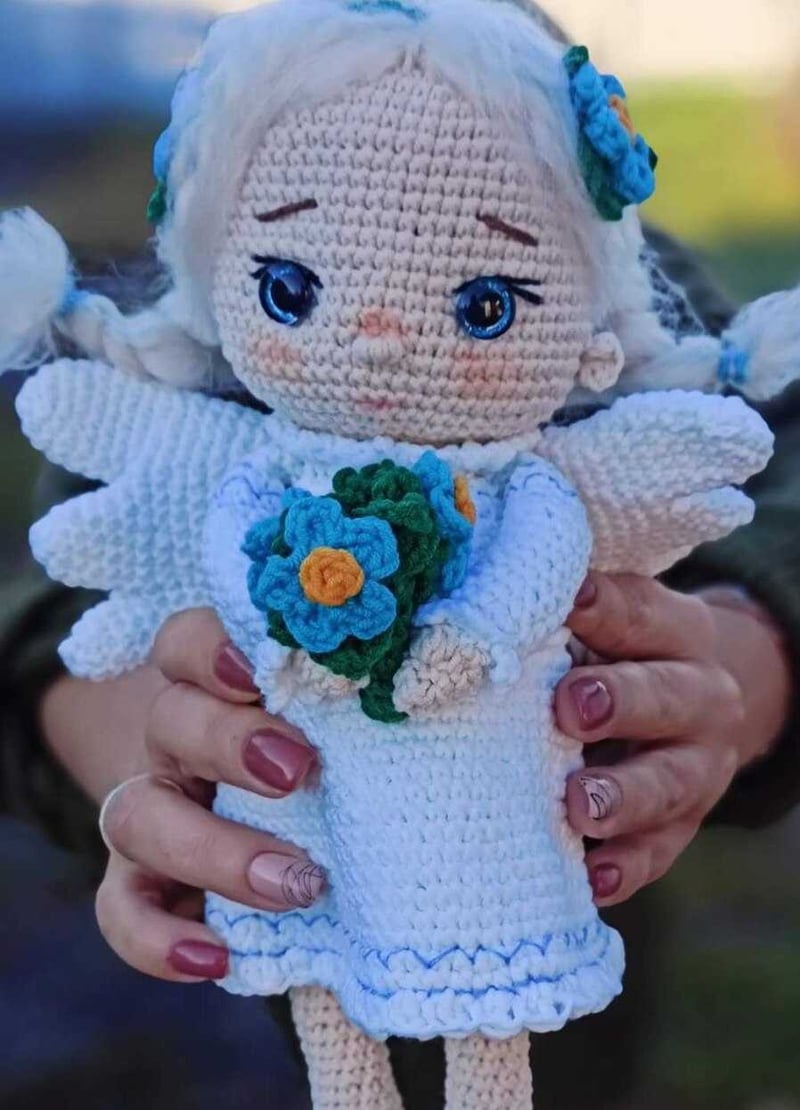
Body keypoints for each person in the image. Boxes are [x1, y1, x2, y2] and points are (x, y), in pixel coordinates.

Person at [2, 2, 798, 1108]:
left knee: (507, 999)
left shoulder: (568, 369)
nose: (379, 341)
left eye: (484, 305)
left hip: (511, 782)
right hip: (298, 780)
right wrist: (157, 719)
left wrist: (743, 654)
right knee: (323, 966)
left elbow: (726, 486)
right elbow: (84, 587)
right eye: (293, 290)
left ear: (597, 325)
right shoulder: (217, 392)